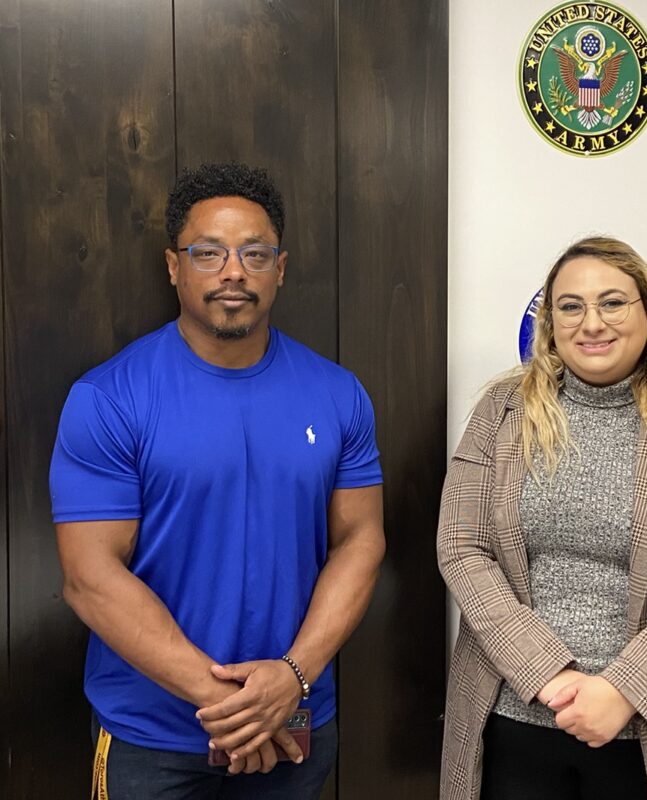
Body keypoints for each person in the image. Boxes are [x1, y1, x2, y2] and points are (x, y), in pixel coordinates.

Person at [50, 162, 386, 798]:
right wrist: (234, 710)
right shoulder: (108, 398)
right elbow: (89, 577)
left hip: (297, 723)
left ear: (279, 268)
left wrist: (291, 678)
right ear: (174, 267)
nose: (234, 271)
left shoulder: (338, 395)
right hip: (154, 739)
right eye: (209, 253)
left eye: (254, 253)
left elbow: (361, 542)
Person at [437, 236, 647, 800]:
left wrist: (625, 691)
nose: (592, 323)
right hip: (511, 718)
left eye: (612, 302)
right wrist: (547, 675)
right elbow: (462, 548)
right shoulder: (502, 411)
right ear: (550, 322)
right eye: (570, 305)